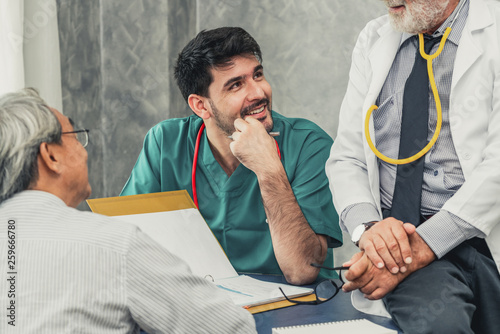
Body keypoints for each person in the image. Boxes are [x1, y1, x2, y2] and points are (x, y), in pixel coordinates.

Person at [0, 88, 256, 333]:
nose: (83, 149)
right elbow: (229, 327)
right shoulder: (115, 244)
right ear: (51, 156)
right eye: (75, 136)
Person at [327, 0, 500, 332]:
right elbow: (347, 157)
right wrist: (370, 232)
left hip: (483, 230)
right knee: (441, 326)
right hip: (402, 233)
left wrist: (422, 246)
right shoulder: (374, 38)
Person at [120, 27, 342, 285]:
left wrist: (269, 169)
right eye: (236, 85)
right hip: (202, 306)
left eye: (257, 75)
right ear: (200, 106)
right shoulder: (165, 143)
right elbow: (127, 244)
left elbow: (302, 270)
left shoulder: (308, 144)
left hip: (299, 309)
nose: (258, 93)